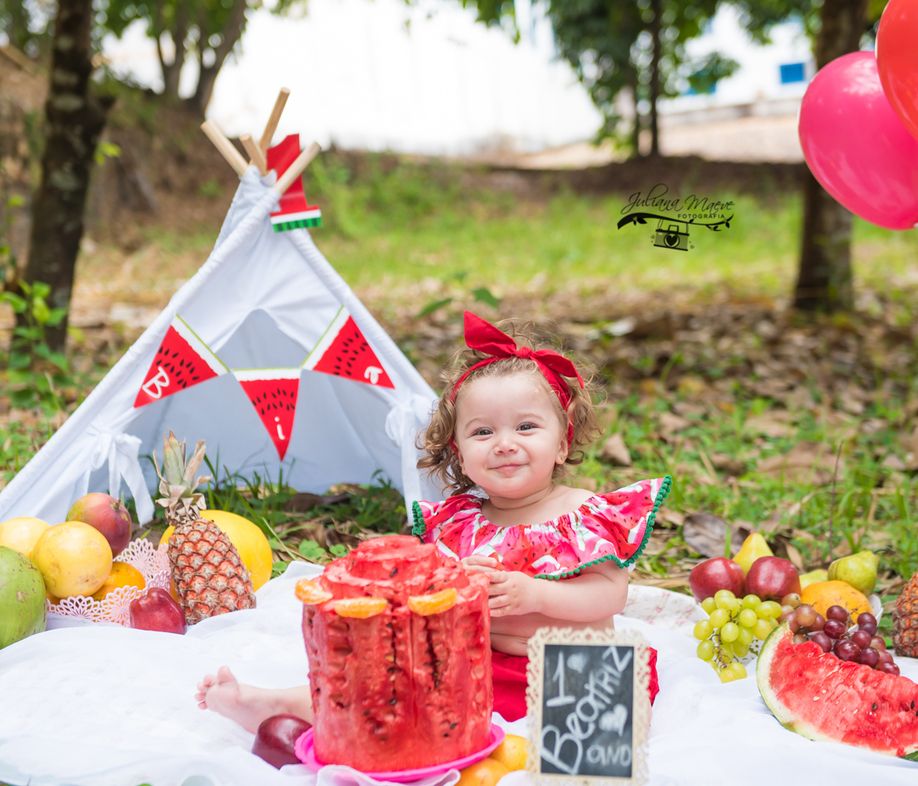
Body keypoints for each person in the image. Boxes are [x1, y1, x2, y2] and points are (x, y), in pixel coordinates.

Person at [196, 312, 668, 730]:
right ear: (460, 456)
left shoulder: (580, 512)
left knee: (592, 730)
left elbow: (612, 594)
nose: (504, 443)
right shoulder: (461, 523)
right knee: (389, 676)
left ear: (563, 442)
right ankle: (279, 704)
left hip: (574, 662)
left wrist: (536, 593)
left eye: (526, 427)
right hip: (477, 659)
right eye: (483, 432)